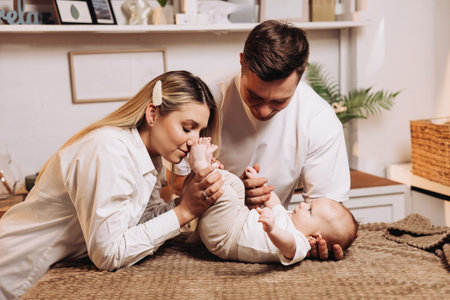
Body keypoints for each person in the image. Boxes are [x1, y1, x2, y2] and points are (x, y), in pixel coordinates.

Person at [0, 70, 224, 300]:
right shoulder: (108, 151)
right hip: (17, 270)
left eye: (200, 131)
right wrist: (184, 212)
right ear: (153, 113)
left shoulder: (152, 157)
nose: (193, 141)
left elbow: (139, 222)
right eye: (187, 127)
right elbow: (108, 254)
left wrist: (185, 199)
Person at [170, 20, 350, 260]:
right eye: (254, 96)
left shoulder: (319, 121)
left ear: (302, 72)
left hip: (265, 239)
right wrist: (231, 192)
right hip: (197, 232)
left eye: (279, 102)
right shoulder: (204, 99)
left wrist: (316, 241)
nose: (264, 111)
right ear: (242, 61)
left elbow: (326, 211)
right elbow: (174, 184)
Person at [188, 138, 358, 265]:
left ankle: (200, 166)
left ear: (315, 236)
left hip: (225, 239)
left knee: (227, 196)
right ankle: (210, 166)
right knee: (236, 186)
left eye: (309, 210)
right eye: (308, 204)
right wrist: (259, 182)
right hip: (235, 219)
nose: (302, 204)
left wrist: (272, 229)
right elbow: (273, 201)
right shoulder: (287, 216)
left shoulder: (300, 243)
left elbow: (287, 245)